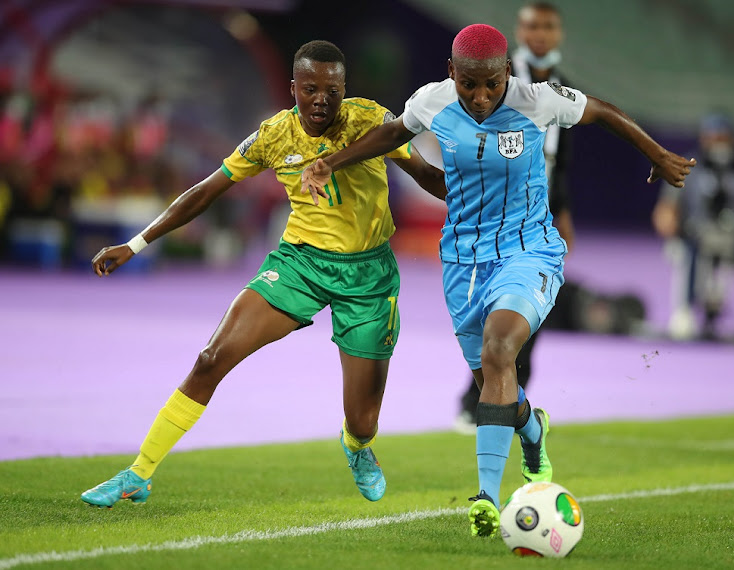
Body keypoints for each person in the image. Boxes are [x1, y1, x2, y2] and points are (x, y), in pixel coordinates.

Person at [301, 24, 695, 537]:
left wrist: (656, 154)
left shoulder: (537, 101)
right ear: (451, 74)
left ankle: (487, 495)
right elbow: (393, 133)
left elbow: (600, 110)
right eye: (469, 84)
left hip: (529, 251)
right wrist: (330, 162)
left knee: (500, 348)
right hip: (463, 263)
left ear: (507, 72)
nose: (481, 96)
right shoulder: (432, 102)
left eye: (491, 83)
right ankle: (533, 430)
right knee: (494, 380)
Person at [80, 40, 446, 508]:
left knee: (363, 420)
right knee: (211, 358)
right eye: (310, 89)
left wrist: (479, 196)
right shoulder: (273, 136)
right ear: (293, 88)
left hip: (368, 278)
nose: (320, 99)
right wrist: (136, 243)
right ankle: (138, 472)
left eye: (331, 90)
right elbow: (205, 191)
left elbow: (427, 176)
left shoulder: (370, 121)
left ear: (344, 89)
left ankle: (357, 448)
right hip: (299, 265)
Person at [454, 1, 573, 434]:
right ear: (520, 34)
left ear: (558, 34)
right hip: (488, 218)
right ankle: (479, 400)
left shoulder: (565, 88)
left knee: (527, 311)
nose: (540, 34)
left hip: (537, 220)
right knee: (482, 315)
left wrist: (564, 213)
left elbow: (561, 161)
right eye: (532, 26)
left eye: (548, 26)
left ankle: (507, 405)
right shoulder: (497, 82)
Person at [652, 111, 734, 340]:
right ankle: (684, 311)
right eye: (713, 138)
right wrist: (671, 225)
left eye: (723, 138)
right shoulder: (687, 168)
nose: (719, 144)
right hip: (694, 237)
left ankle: (716, 309)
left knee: (727, 259)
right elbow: (665, 210)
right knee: (688, 255)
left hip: (731, 238)